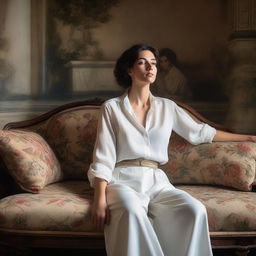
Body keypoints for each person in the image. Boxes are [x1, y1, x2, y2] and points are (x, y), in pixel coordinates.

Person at [87, 44, 256, 256]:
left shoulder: (167, 107)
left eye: (154, 63)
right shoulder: (112, 107)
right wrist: (99, 198)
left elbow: (202, 133)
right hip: (121, 179)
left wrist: (249, 137)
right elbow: (103, 155)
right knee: (131, 211)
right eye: (142, 62)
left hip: (157, 181)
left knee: (194, 210)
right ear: (129, 70)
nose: (150, 67)